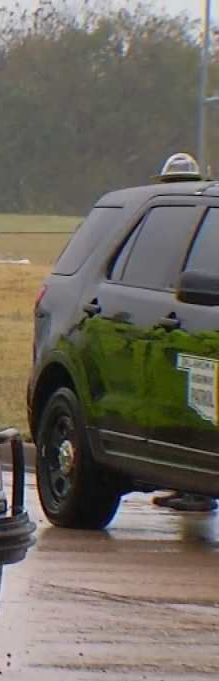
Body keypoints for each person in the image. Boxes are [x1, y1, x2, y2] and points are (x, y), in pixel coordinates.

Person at [148, 152, 217, 513]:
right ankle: (191, 485)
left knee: (191, 402)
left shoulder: (175, 219)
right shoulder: (188, 218)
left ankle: (193, 486)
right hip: (174, 325)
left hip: (176, 328)